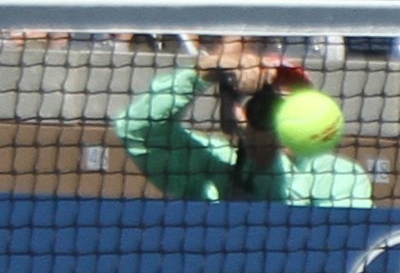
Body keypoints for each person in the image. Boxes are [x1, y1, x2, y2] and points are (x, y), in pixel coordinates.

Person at [116, 42, 370, 207]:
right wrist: (208, 69)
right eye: (261, 98)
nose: (272, 108)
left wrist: (265, 158)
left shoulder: (340, 175)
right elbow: (136, 128)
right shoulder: (215, 159)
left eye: (288, 97)